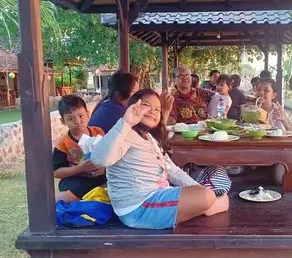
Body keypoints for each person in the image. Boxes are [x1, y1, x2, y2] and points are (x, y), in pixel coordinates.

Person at [91, 89, 230, 229]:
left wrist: (197, 189)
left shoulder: (149, 138)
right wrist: (126, 122)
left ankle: (204, 201)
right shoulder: (125, 133)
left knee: (211, 179)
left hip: (157, 196)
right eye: (146, 105)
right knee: (206, 196)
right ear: (133, 107)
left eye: (157, 109)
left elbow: (173, 171)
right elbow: (99, 159)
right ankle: (209, 208)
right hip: (138, 208)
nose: (153, 111)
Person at [53, 95, 107, 203]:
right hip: (77, 179)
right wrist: (79, 169)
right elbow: (56, 172)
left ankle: (92, 197)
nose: (77, 121)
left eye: (81, 116)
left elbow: (110, 155)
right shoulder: (63, 143)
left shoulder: (99, 133)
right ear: (63, 121)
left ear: (88, 114)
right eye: (70, 118)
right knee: (72, 192)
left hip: (101, 175)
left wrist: (104, 168)